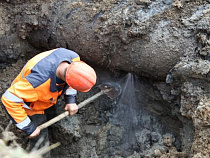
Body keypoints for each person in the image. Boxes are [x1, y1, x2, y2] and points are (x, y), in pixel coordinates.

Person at [1, 48, 97, 149]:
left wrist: (70, 100)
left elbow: (72, 81)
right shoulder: (38, 82)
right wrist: (28, 127)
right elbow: (8, 99)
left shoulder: (74, 59)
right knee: (41, 143)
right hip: (30, 102)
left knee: (51, 113)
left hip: (48, 96)